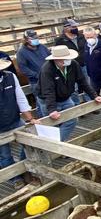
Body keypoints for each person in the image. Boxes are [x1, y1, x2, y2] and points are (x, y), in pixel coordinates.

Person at [37, 45, 101, 141]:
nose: (68, 60)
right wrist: (52, 109)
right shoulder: (47, 69)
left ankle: (58, 142)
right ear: (57, 60)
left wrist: (94, 96)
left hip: (66, 97)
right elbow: (48, 90)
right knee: (52, 124)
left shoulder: (73, 64)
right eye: (65, 59)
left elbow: (82, 81)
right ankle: (57, 144)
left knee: (72, 119)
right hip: (48, 100)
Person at [0, 58, 37, 190]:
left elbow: (20, 97)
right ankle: (15, 177)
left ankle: (24, 167)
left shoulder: (10, 77)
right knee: (4, 155)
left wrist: (29, 118)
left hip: (15, 119)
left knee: (28, 144)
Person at [16, 30, 50, 116]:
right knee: (42, 101)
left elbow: (50, 57)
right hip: (36, 81)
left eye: (36, 37)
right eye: (33, 38)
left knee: (45, 100)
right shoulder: (21, 52)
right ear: (26, 40)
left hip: (49, 77)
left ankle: (42, 119)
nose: (36, 39)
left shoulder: (42, 47)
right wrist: (37, 75)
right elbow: (23, 68)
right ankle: (45, 120)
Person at [55, 19, 89, 104]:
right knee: (73, 87)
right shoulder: (61, 40)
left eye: (76, 26)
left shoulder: (81, 36)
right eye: (73, 27)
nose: (75, 28)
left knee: (87, 84)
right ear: (66, 28)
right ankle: (76, 105)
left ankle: (89, 102)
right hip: (70, 67)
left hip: (83, 64)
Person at [83, 28, 101, 120]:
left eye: (91, 37)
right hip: (93, 77)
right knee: (93, 96)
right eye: (87, 37)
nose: (89, 39)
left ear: (95, 35)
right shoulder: (86, 46)